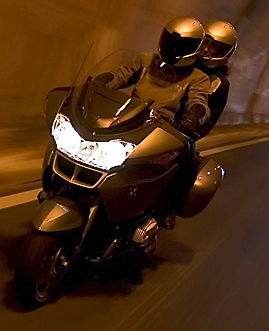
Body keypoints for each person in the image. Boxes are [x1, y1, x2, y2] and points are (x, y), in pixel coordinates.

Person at [92, 16, 214, 229]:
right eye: (170, 40)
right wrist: (102, 81)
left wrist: (193, 115)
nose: (172, 47)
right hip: (130, 121)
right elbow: (121, 75)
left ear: (194, 49)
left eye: (181, 44)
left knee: (185, 163)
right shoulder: (145, 61)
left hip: (164, 131)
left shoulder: (198, 77)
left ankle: (164, 210)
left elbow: (199, 100)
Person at [193, 20, 237, 138]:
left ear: (222, 53)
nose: (205, 49)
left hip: (178, 135)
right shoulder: (180, 63)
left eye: (213, 47)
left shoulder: (219, 83)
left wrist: (188, 132)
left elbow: (209, 122)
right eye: (205, 42)